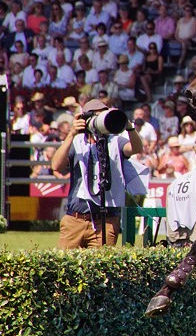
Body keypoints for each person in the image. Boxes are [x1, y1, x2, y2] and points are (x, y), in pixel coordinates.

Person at [51, 99, 145, 249]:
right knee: (64, 262)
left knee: (100, 264)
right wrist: (71, 134)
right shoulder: (76, 141)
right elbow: (56, 165)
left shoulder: (115, 141)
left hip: (106, 220)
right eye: (97, 117)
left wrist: (129, 127)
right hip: (75, 218)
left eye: (104, 116)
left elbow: (136, 149)